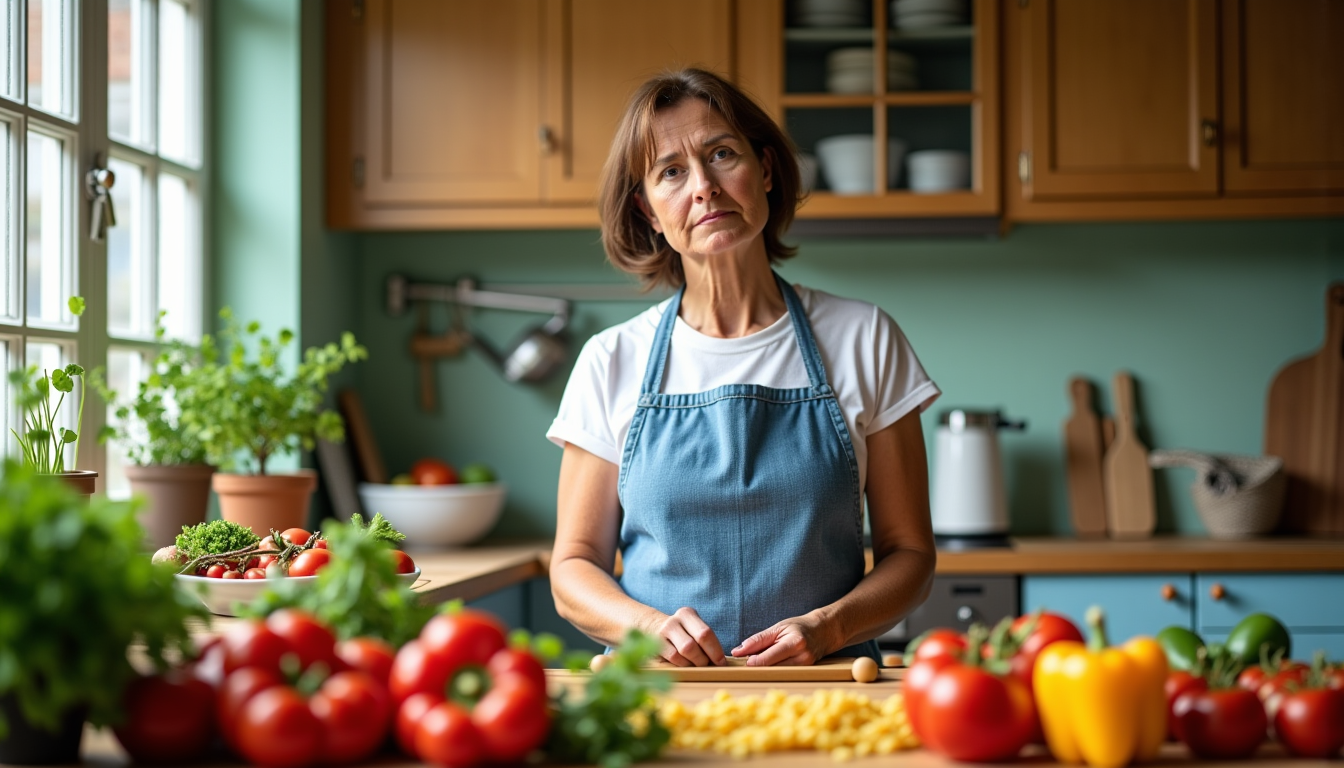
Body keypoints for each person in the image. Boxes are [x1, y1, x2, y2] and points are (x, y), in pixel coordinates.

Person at [546, 68, 938, 667]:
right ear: (649, 211)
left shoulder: (865, 338)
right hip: (659, 696)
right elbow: (573, 566)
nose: (703, 186)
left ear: (766, 170)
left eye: (721, 154)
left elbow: (909, 552)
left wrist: (830, 628)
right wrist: (646, 626)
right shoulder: (610, 359)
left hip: (826, 694)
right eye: (670, 172)